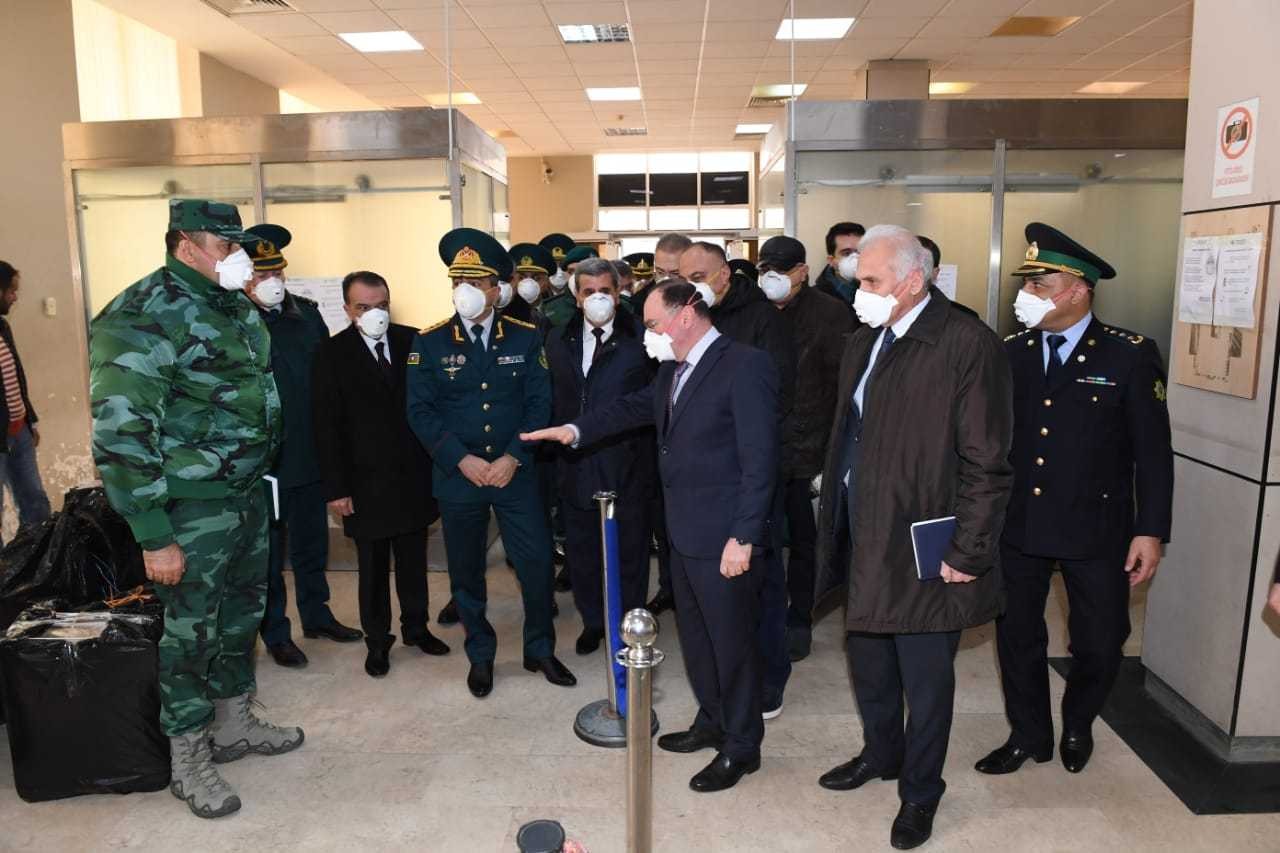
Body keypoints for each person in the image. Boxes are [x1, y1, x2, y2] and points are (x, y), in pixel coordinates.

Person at [89, 199, 302, 820]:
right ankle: (187, 758)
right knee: (190, 633)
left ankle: (234, 723)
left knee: (240, 616)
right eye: (225, 245)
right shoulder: (140, 315)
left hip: (245, 494)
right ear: (186, 244)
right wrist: (154, 534)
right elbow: (121, 434)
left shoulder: (228, 301)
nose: (240, 257)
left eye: (240, 245)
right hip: (188, 508)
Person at [523, 279, 779, 794]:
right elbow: (631, 409)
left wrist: (744, 536)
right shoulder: (672, 369)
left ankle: (742, 745)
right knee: (698, 638)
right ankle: (712, 720)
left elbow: (761, 460)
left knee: (731, 644)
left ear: (686, 315)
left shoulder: (744, 364)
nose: (649, 335)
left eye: (655, 324)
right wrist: (574, 430)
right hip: (682, 532)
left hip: (724, 537)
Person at [812, 224, 1013, 850]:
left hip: (924, 541)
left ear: (913, 280)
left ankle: (921, 792)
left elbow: (987, 459)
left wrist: (969, 549)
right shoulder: (866, 338)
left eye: (872, 281)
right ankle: (882, 753)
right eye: (858, 280)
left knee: (925, 681)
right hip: (863, 531)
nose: (860, 292)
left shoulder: (965, 344)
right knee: (869, 660)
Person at [976, 223, 1173, 778]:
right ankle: (1029, 735)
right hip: (1020, 522)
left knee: (1102, 641)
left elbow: (1153, 452)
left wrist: (1150, 530)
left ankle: (1080, 721)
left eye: (1040, 285)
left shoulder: (1129, 355)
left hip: (1097, 526)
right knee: (1017, 636)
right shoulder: (1010, 352)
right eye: (1027, 285)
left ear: (1078, 290)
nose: (1026, 295)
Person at [407, 228, 575, 699]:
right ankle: (480, 654)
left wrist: (513, 457)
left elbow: (539, 403)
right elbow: (420, 411)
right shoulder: (430, 342)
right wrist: (460, 459)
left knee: (536, 563)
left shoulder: (526, 336)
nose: (464, 290)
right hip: (459, 477)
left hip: (514, 474)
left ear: (496, 289)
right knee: (465, 572)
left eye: (475, 282)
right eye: (457, 281)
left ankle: (539, 649)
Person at [312, 269, 450, 679]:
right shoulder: (331, 354)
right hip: (363, 483)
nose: (376, 314)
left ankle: (416, 628)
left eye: (382, 305)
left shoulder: (414, 341)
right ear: (347, 310)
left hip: (412, 477)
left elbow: (434, 404)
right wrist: (336, 488)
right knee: (372, 568)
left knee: (413, 561)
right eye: (364, 307)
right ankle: (377, 640)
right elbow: (325, 426)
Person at [679, 240, 795, 718]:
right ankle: (721, 686)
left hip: (750, 476)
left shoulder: (761, 318)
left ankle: (770, 680)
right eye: (683, 279)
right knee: (714, 597)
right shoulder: (689, 315)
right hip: (704, 482)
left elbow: (776, 397)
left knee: (762, 586)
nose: (692, 286)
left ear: (724, 274)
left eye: (699, 277)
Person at [240, 225, 362, 669]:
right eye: (260, 274)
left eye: (276, 272)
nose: (271, 281)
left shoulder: (307, 316)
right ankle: (276, 632)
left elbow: (327, 380)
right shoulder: (234, 323)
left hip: (309, 453)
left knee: (312, 544)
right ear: (243, 278)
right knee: (270, 553)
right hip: (266, 460)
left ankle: (317, 615)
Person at [543, 257, 654, 654]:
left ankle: (628, 625)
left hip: (628, 462)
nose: (597, 299)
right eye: (588, 292)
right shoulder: (558, 339)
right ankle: (594, 621)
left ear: (619, 293)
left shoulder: (642, 337)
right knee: (583, 552)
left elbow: (653, 397)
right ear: (576, 297)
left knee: (630, 552)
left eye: (605, 291)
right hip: (575, 462)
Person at [755, 236, 854, 662]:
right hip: (762, 449)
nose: (772, 278)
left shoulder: (831, 314)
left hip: (809, 451)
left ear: (802, 271)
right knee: (761, 539)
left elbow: (843, 388)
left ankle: (800, 617)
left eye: (782, 269)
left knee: (805, 543)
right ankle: (766, 614)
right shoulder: (754, 311)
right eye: (765, 269)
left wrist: (832, 453)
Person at [637, 233, 693, 615]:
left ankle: (690, 591)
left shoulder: (699, 309)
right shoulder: (644, 306)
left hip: (693, 438)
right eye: (660, 271)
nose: (666, 279)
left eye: (674, 273)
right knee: (659, 519)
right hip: (651, 431)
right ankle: (668, 586)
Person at [0, 261, 51, 543]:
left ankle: (38, 560)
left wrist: (29, 421)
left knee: (36, 502)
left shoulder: (3, 327)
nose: (15, 297)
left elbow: (16, 377)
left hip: (19, 432)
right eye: (11, 290)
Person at [917, 235, 979, 320]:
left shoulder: (964, 319)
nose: (910, 273)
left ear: (934, 273)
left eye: (922, 267)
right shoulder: (896, 313)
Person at [814, 221, 865, 310]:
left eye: (860, 251)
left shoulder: (879, 293)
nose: (856, 258)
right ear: (831, 261)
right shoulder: (814, 299)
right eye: (847, 253)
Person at [538, 233, 578, 327]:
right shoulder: (536, 297)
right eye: (553, 265)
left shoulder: (579, 296)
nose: (559, 272)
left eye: (563, 265)